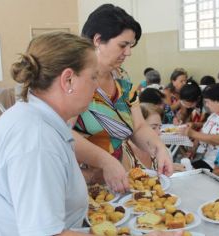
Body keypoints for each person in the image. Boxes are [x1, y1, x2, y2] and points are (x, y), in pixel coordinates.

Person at [0, 30, 184, 236]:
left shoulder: (41, 120)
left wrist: (106, 161)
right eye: (93, 77)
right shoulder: (36, 141)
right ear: (68, 80)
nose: (96, 86)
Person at [74, 4, 173, 190]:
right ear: (97, 40)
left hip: (121, 175)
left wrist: (159, 148)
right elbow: (64, 133)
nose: (128, 52)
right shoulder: (75, 80)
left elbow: (138, 127)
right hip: (85, 179)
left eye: (131, 45)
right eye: (123, 45)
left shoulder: (122, 80)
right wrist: (105, 161)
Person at [122, 103, 186, 172]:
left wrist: (171, 167)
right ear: (136, 127)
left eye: (159, 127)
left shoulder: (155, 149)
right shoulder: (123, 153)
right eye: (153, 127)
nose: (159, 132)